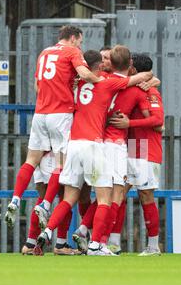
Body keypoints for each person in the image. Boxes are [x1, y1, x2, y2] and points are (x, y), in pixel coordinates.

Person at [33, 48, 153, 256]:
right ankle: (96, 244)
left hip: (73, 145)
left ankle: (47, 231)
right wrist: (149, 79)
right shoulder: (108, 82)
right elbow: (142, 77)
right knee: (106, 197)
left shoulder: (76, 82)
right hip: (95, 145)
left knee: (69, 197)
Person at [5, 25, 102, 228]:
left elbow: (37, 86)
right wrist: (100, 81)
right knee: (61, 163)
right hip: (60, 114)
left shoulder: (45, 52)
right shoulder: (72, 51)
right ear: (74, 38)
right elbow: (85, 73)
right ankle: (46, 205)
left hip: (41, 113)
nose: (80, 45)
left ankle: (15, 198)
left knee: (31, 160)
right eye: (80, 41)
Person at [109, 54, 164, 256]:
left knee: (146, 195)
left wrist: (129, 124)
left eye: (131, 66)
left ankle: (152, 246)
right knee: (119, 192)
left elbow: (158, 122)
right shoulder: (131, 87)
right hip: (132, 147)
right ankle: (114, 243)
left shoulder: (150, 91)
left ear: (134, 70)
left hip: (147, 149)